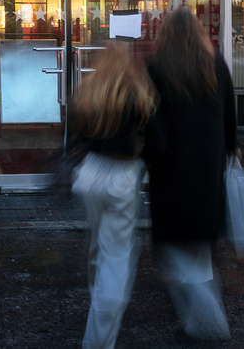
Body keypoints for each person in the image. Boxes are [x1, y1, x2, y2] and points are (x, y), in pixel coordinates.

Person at [144, 6, 238, 340]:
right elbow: (230, 113)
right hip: (207, 169)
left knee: (175, 246)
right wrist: (230, 149)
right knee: (198, 246)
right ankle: (195, 317)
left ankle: (208, 318)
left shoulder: (157, 67)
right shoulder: (215, 63)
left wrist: (148, 159)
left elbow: (153, 124)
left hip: (172, 172)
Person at [68, 41, 156, 349]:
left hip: (90, 175)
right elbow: (155, 137)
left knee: (99, 242)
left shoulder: (89, 89)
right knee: (116, 256)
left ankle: (98, 298)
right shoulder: (135, 92)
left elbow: (75, 136)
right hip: (121, 177)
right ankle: (99, 336)